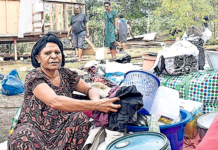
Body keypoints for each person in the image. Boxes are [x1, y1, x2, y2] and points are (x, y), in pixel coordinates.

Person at [8, 33, 121, 150]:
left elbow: (89, 89)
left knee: (80, 118)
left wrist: (96, 102)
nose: (54, 56)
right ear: (38, 58)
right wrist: (97, 105)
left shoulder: (66, 74)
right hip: (36, 129)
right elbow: (54, 101)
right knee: (23, 136)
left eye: (57, 53)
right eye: (47, 53)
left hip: (61, 127)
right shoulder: (34, 76)